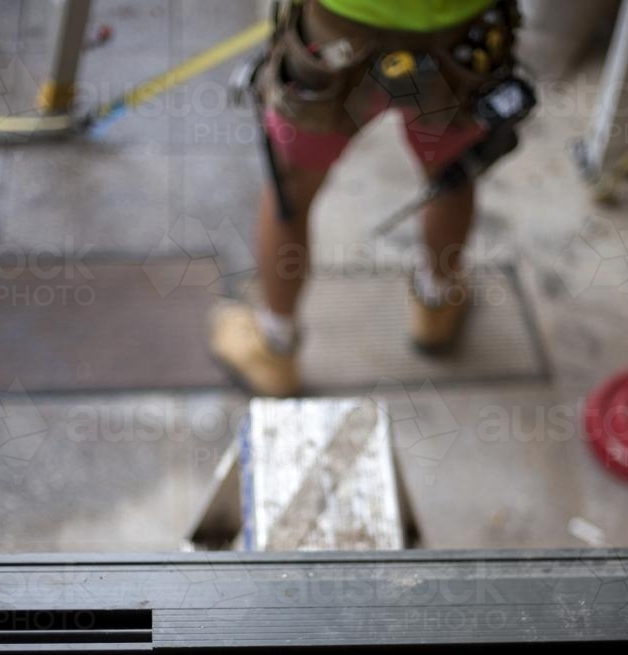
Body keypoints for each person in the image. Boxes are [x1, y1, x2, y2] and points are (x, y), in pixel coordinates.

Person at [211, 0, 520, 396]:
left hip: (334, 35)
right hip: (461, 39)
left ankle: (274, 345)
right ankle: (437, 304)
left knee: (293, 191)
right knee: (450, 174)